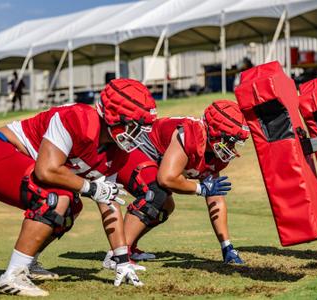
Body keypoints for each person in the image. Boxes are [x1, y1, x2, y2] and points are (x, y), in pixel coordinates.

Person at [0, 78, 157, 296]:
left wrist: (121, 259)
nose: (137, 135)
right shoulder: (77, 119)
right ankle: (12, 276)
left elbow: (108, 201)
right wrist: (90, 187)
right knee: (56, 197)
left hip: (29, 164)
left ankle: (28, 262)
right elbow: (46, 170)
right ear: (113, 117)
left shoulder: (116, 152)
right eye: (133, 127)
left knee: (72, 206)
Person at [102, 100, 250, 269]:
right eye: (229, 141)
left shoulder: (216, 155)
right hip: (134, 150)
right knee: (154, 194)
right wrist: (200, 189)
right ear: (215, 131)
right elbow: (167, 178)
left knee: (166, 206)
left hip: (154, 159)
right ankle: (117, 256)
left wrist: (226, 246)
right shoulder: (193, 134)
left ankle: (129, 246)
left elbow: (215, 198)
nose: (231, 147)